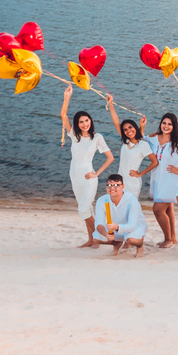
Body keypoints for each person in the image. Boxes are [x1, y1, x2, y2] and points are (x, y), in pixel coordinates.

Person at [60, 86, 115, 248]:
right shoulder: (74, 136)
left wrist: (96, 173)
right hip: (74, 176)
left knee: (84, 209)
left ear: (91, 121)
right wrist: (67, 97)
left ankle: (105, 235)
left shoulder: (97, 137)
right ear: (78, 124)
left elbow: (110, 157)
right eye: (81, 122)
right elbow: (63, 115)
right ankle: (92, 240)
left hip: (88, 177)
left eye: (87, 121)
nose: (85, 124)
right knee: (86, 210)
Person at [145, 112, 178, 249]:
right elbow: (140, 140)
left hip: (171, 180)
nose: (166, 126)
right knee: (168, 209)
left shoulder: (177, 141)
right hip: (158, 179)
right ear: (160, 124)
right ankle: (172, 238)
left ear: (174, 126)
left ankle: (167, 239)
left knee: (157, 210)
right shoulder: (155, 138)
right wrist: (142, 127)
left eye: (169, 124)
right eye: (164, 123)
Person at [106, 97, 157, 201]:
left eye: (130, 127)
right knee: (117, 206)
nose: (128, 131)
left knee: (130, 207)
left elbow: (155, 162)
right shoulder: (127, 142)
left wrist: (140, 173)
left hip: (133, 182)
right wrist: (110, 104)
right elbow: (116, 122)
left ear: (135, 127)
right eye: (125, 129)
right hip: (120, 181)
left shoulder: (143, 145)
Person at [92, 174, 147, 257]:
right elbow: (98, 223)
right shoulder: (101, 200)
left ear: (122, 186)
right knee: (96, 238)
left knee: (132, 240)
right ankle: (117, 243)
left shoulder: (132, 200)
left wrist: (116, 227)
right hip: (115, 227)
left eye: (116, 185)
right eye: (109, 185)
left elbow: (132, 225)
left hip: (134, 227)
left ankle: (140, 247)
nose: (112, 188)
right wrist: (106, 234)